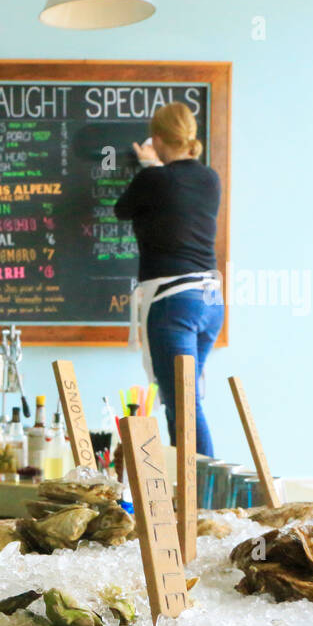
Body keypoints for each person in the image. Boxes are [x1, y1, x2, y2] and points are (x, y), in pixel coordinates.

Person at [114, 101, 222, 456]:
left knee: (183, 406)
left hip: (174, 303)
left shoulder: (152, 179)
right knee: (185, 401)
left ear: (158, 138)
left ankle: (205, 501)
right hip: (209, 302)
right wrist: (154, 167)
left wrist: (148, 165)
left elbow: (121, 209)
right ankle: (192, 495)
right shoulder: (210, 178)